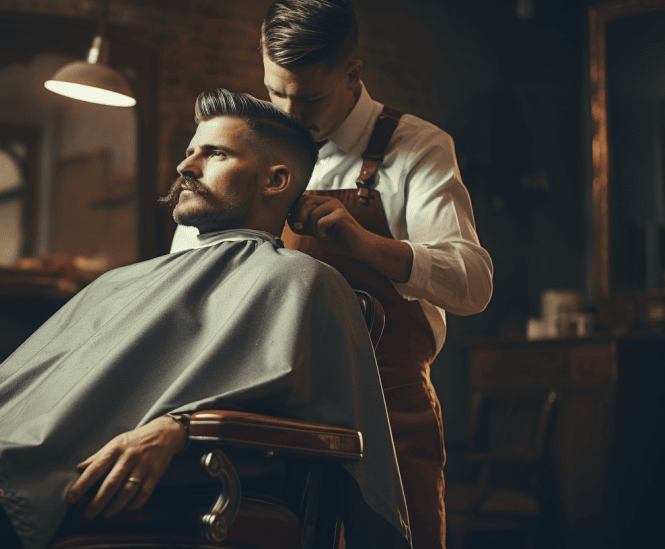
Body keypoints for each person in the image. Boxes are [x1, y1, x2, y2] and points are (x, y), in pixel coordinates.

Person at [0, 90, 411, 549]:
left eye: (214, 153)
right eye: (189, 149)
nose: (184, 164)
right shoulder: (126, 278)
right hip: (1, 445)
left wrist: (174, 429)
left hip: (93, 472)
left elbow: (332, 430)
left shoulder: (303, 280)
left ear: (275, 180)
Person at [170, 3, 494, 548]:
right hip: (266, 412)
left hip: (386, 413)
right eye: (277, 92)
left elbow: (473, 283)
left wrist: (366, 245)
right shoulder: (244, 149)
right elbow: (185, 275)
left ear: (353, 74)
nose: (290, 114)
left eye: (310, 98)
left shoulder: (417, 148)